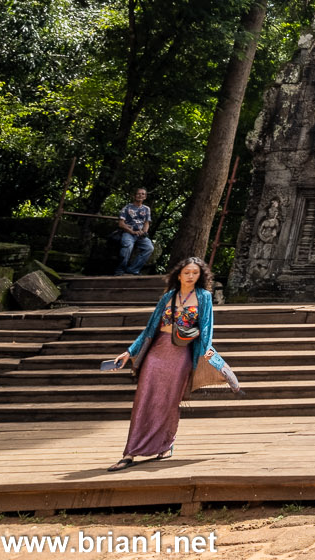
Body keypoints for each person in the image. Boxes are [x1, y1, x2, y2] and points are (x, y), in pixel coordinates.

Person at [109, 254, 223, 470]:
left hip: (181, 354)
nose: (190, 276)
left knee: (170, 401)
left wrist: (206, 357)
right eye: (186, 272)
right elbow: (149, 329)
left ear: (201, 276)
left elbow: (206, 330)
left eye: (195, 273)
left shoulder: (204, 297)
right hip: (157, 352)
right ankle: (130, 452)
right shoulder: (168, 297)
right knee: (143, 400)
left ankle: (165, 443)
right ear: (178, 275)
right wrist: (129, 352)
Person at [115, 188, 153, 275]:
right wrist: (132, 232)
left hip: (140, 234)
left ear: (145, 197)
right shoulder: (127, 208)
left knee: (149, 248)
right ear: (134, 195)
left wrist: (144, 232)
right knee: (127, 246)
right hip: (128, 233)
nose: (140, 195)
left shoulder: (147, 209)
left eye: (143, 194)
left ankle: (133, 270)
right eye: (138, 193)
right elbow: (121, 224)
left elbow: (147, 223)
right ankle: (120, 270)